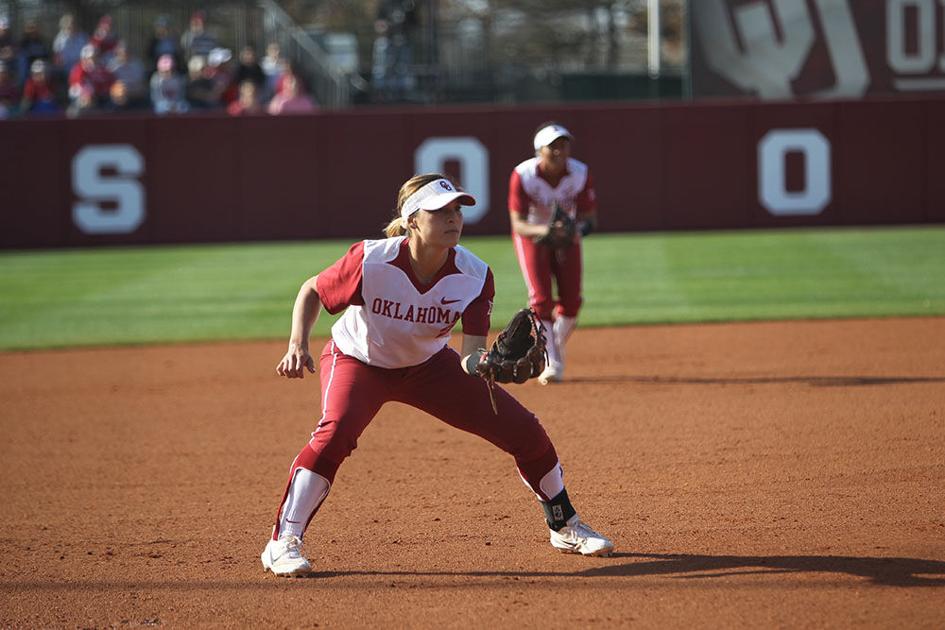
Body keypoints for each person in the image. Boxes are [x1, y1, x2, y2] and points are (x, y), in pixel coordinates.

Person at [259, 173, 614, 577]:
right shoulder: (371, 260)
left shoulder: (475, 275)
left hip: (428, 367)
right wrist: (297, 343)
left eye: (457, 210)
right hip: (359, 359)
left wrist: (486, 364)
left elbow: (470, 353)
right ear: (412, 220)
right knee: (336, 432)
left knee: (524, 430)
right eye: (440, 211)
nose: (453, 218)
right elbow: (313, 289)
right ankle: (283, 541)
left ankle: (565, 525)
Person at [508, 123, 598, 384]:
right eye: (553, 147)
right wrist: (546, 230)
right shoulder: (524, 175)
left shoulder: (580, 173)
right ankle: (552, 360)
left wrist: (575, 230)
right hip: (533, 236)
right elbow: (518, 224)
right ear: (540, 151)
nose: (560, 151)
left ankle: (550, 346)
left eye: (564, 145)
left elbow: (590, 218)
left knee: (572, 302)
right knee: (541, 299)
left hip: (567, 237)